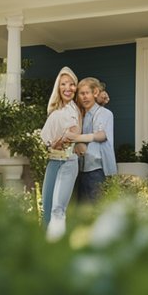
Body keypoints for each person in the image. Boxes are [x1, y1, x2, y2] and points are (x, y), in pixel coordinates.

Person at [41, 67, 81, 235]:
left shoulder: (73, 109)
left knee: (58, 210)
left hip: (67, 161)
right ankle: (43, 247)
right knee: (47, 207)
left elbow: (75, 132)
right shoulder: (56, 110)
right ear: (58, 87)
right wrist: (53, 143)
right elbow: (47, 142)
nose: (68, 88)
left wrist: (61, 139)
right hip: (53, 161)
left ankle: (57, 250)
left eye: (72, 84)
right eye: (64, 84)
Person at [76, 76, 116, 202]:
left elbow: (101, 135)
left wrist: (77, 138)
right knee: (83, 211)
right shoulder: (84, 115)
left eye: (87, 93)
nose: (84, 97)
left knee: (98, 208)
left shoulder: (105, 113)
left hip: (97, 169)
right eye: (81, 94)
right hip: (82, 169)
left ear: (95, 93)